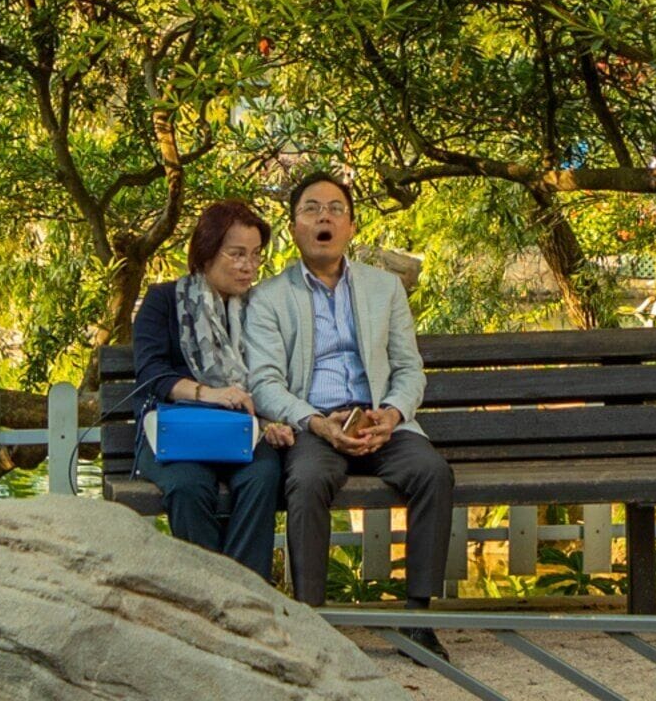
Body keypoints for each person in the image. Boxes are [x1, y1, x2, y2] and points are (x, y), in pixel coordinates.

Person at [247, 170, 455, 644]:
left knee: (432, 473)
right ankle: (313, 624)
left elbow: (408, 369)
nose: (324, 217)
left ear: (352, 226)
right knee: (306, 480)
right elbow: (264, 382)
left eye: (336, 209)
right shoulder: (269, 298)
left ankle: (418, 618)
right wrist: (316, 422)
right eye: (311, 209)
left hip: (378, 419)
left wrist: (393, 414)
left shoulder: (385, 289)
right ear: (295, 226)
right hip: (314, 423)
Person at [126, 198, 294, 582]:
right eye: (236, 254)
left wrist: (274, 421)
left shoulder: (258, 309)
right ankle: (208, 597)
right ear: (205, 252)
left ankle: (244, 598)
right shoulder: (164, 301)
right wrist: (211, 394)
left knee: (262, 477)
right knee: (188, 486)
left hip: (243, 429)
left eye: (255, 255)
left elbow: (269, 377)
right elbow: (152, 375)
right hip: (177, 429)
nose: (248, 266)